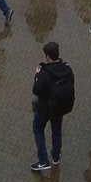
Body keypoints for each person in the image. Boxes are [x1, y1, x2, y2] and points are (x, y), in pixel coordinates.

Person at [30, 40, 75, 172]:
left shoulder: (44, 73)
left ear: (48, 56)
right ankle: (55, 157)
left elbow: (36, 90)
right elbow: (72, 82)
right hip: (59, 107)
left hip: (44, 108)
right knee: (56, 130)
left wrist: (37, 75)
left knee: (38, 129)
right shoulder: (67, 68)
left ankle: (43, 161)